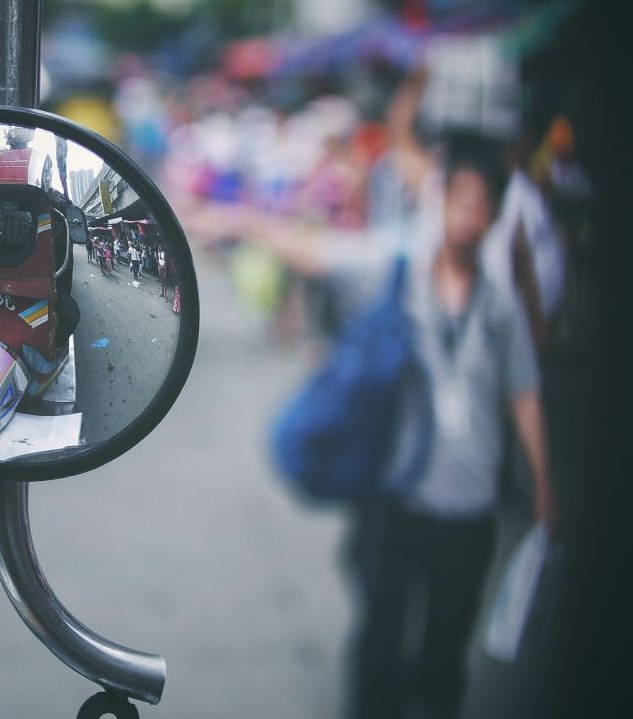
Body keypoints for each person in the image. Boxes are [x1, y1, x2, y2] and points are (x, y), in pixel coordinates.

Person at [190, 131, 557, 719]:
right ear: (442, 200)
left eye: (486, 207)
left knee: (446, 653)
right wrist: (234, 219)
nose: (472, 220)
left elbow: (524, 390)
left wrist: (545, 484)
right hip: (395, 499)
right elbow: (310, 250)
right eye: (463, 201)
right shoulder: (397, 266)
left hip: (472, 510)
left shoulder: (501, 299)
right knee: (380, 643)